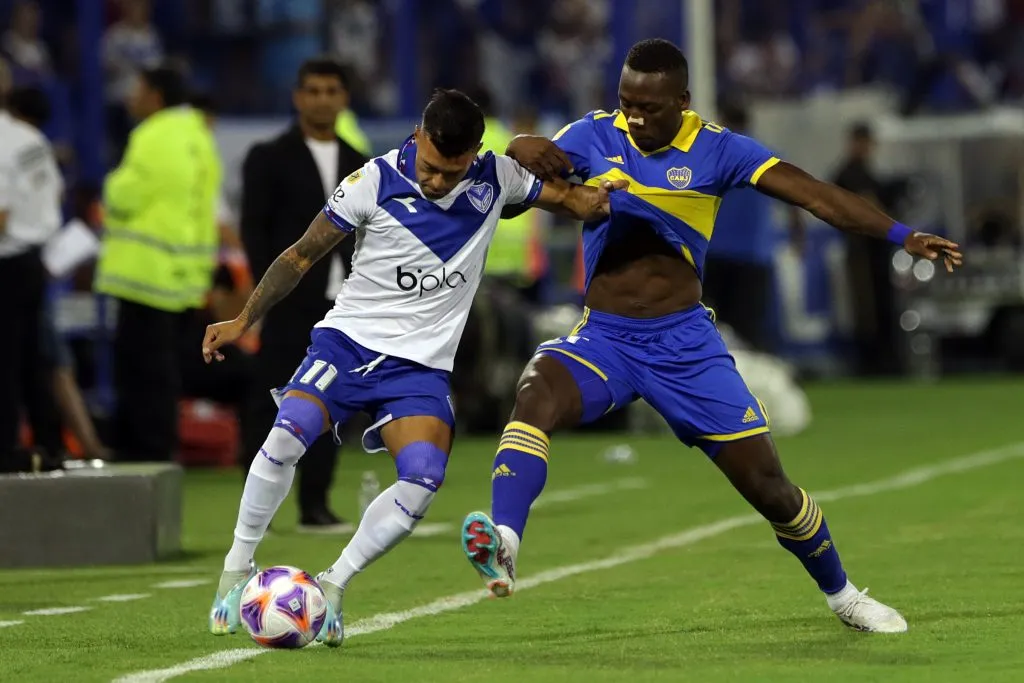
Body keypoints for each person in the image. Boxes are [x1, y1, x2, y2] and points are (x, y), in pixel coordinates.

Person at [459, 39, 962, 634]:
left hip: (684, 347)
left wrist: (901, 234)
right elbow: (515, 194)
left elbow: (818, 197)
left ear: (683, 100)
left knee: (769, 488)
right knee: (535, 391)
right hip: (607, 339)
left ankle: (845, 595)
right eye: (626, 103)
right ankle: (507, 542)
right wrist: (525, 153)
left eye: (649, 106)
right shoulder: (593, 135)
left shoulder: (720, 150)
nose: (635, 117)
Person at [202, 88, 624, 646]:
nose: (437, 183)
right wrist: (243, 319)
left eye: (451, 173)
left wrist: (616, 179)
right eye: (429, 167)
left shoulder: (498, 177)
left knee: (424, 477)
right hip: (347, 346)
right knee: (288, 436)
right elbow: (299, 256)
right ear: (419, 136)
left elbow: (580, 203)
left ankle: (333, 587)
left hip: (419, 368)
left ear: (474, 152)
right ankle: (236, 570)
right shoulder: (371, 182)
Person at [239, 58, 367, 532]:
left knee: (331, 404)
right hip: (290, 302)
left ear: (344, 98)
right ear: (297, 97)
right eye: (312, 90)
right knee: (270, 400)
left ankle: (316, 503)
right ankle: (258, 507)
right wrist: (264, 297)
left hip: (345, 305)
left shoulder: (360, 162)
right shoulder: (268, 157)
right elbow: (254, 231)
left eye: (330, 90)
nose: (321, 99)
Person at [94, 65, 221, 461]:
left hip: (144, 274)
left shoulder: (152, 135)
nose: (131, 97)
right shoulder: (198, 135)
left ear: (156, 96)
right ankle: (159, 446)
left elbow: (123, 196)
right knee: (163, 373)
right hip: (183, 277)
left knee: (140, 371)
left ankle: (144, 450)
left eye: (138, 89)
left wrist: (110, 187)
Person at [0, 66, 64, 471]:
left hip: (5, 262)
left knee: (5, 363)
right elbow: (53, 191)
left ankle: (5, 453)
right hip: (32, 259)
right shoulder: (30, 137)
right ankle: (49, 447)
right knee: (32, 361)